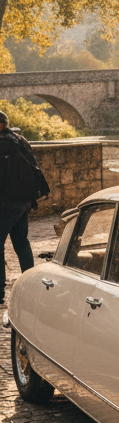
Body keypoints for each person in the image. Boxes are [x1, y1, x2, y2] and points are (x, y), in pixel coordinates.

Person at [0, 111, 48, 300]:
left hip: (6, 203)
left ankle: (0, 289)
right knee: (21, 243)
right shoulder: (20, 140)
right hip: (24, 201)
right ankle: (30, 281)